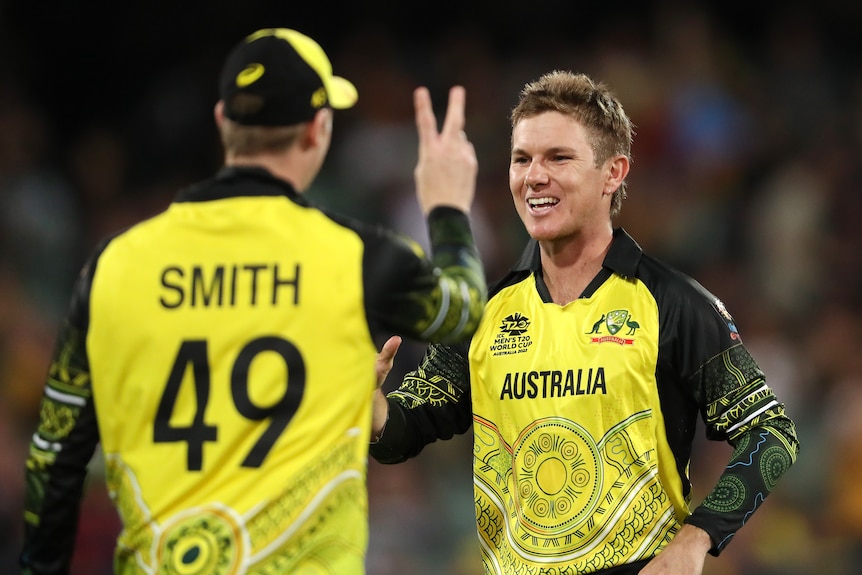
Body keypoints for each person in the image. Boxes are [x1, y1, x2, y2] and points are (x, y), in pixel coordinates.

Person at [20, 27, 488, 575]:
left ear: (224, 123)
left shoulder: (112, 267)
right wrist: (447, 206)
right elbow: (464, 309)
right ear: (318, 129)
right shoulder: (359, 257)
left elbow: (53, 458)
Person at [369, 70, 799, 575]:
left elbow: (772, 433)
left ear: (613, 173)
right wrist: (372, 403)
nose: (534, 176)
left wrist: (698, 536)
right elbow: (404, 433)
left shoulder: (672, 303)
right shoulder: (483, 314)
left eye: (558, 157)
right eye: (521, 159)